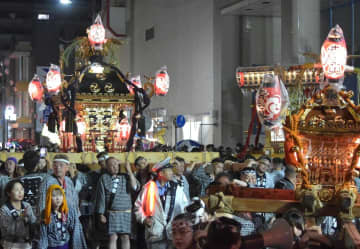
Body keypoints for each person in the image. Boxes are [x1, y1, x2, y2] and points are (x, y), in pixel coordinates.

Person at [134, 157, 189, 249]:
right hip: (155, 234)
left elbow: (184, 207)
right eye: (169, 171)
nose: (172, 173)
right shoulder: (148, 188)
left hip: (173, 234)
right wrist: (144, 219)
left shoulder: (177, 189)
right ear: (161, 173)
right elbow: (137, 207)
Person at [95, 156, 139, 249]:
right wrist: (100, 214)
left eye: (116, 164)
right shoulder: (103, 178)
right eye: (111, 165)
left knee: (125, 237)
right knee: (112, 237)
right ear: (107, 167)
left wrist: (129, 171)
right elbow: (100, 197)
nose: (115, 167)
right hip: (112, 213)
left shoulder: (126, 177)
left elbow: (135, 187)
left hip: (126, 212)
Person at [39, 184, 87, 249]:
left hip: (65, 245)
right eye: (54, 196)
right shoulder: (45, 213)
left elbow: (74, 228)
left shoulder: (68, 211)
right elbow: (43, 236)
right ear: (49, 197)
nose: (58, 198)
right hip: (52, 246)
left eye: (60, 195)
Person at [0, 180, 36, 249]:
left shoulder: (27, 205)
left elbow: (33, 222)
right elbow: (5, 231)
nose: (20, 192)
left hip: (26, 244)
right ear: (8, 193)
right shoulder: (4, 209)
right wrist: (21, 219)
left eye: (22, 189)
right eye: (16, 190)